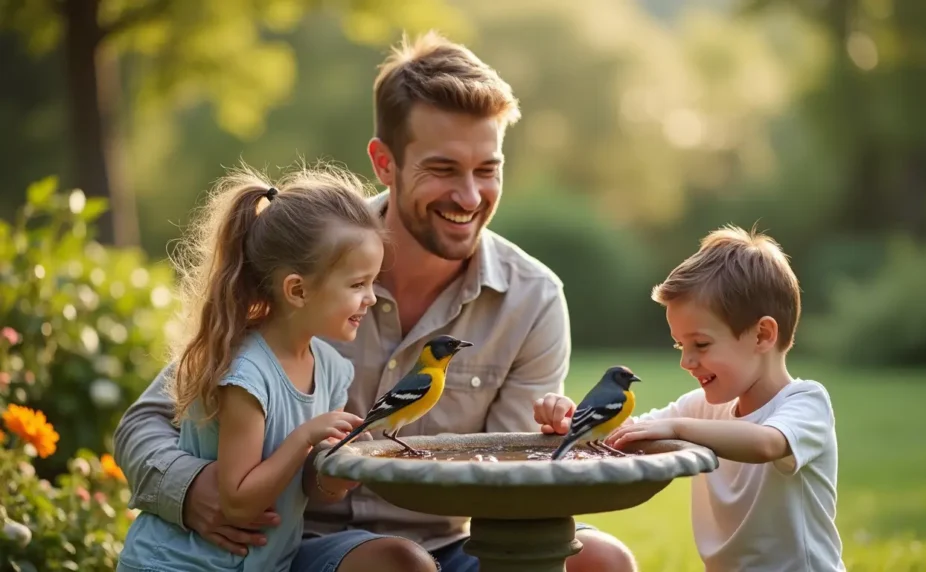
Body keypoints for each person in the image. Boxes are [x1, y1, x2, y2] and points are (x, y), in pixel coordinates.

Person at [113, 31, 637, 572]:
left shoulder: (534, 299)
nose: (470, 196)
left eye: (487, 169)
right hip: (295, 540)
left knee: (602, 561)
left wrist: (555, 441)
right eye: (442, 169)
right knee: (396, 565)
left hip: (457, 542)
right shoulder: (304, 254)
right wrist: (196, 487)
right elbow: (144, 423)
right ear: (384, 162)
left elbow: (504, 476)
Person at [116, 164, 385, 571]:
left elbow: (305, 481)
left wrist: (333, 472)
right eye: (357, 285)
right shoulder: (246, 373)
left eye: (373, 282)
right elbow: (239, 503)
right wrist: (305, 438)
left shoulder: (330, 368)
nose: (372, 298)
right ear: (297, 290)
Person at [535, 225, 845, 571]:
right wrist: (573, 423)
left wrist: (680, 428)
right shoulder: (701, 409)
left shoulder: (805, 403)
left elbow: (766, 444)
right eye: (680, 345)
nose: (686, 361)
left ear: (762, 335)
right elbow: (627, 430)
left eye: (701, 344)